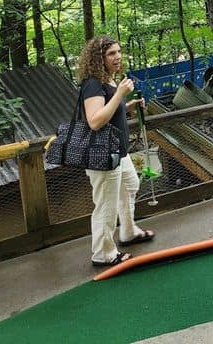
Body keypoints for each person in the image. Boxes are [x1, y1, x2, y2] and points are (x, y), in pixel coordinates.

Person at [77, 35, 155, 267]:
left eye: (119, 51)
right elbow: (95, 120)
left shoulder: (108, 80)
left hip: (118, 152)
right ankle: (104, 253)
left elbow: (109, 109)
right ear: (98, 58)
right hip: (102, 154)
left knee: (131, 185)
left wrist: (127, 105)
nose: (118, 56)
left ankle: (128, 232)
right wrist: (121, 95)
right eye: (111, 53)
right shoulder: (92, 83)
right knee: (106, 206)